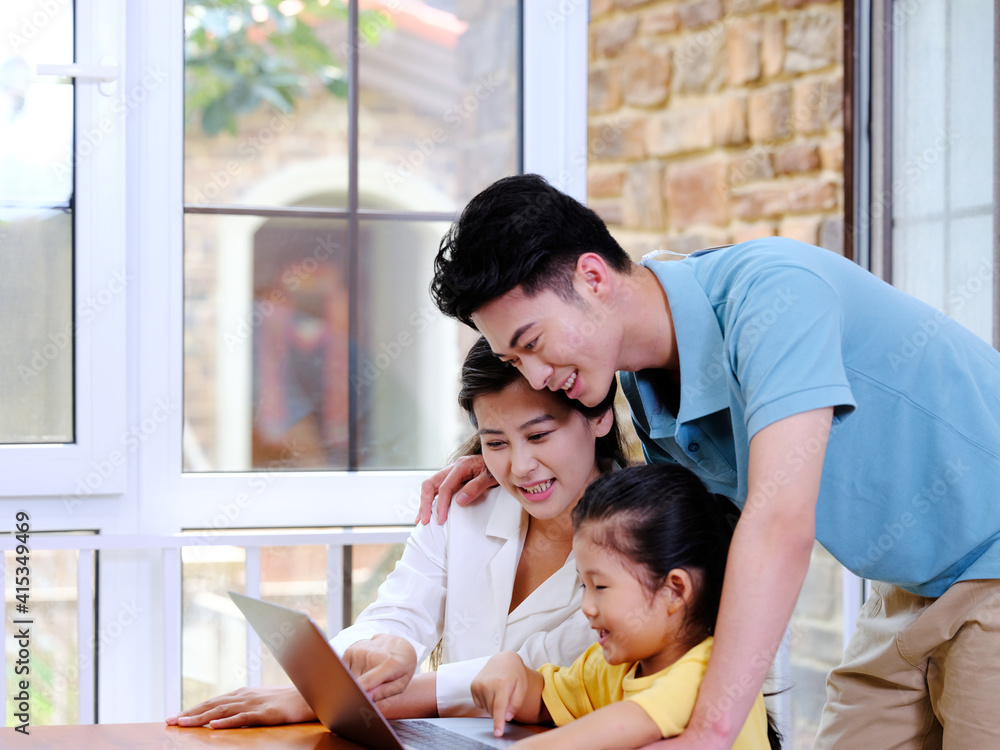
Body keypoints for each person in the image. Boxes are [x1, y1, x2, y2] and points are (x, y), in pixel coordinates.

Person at [424, 173, 1000, 749]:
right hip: (907, 587)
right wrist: (505, 462)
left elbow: (778, 524)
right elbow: (679, 540)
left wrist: (710, 732)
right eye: (513, 360)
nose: (537, 375)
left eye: (532, 343)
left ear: (593, 277)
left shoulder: (775, 296)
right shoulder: (649, 395)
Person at [167, 335, 629, 728]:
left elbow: (537, 673)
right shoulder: (463, 508)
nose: (520, 466)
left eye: (539, 436)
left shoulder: (636, 547)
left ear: (598, 416)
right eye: (496, 443)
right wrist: (384, 648)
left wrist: (320, 699)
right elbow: (396, 611)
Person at [471, 464, 780, 750]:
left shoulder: (709, 671)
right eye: (583, 586)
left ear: (674, 591)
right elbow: (541, 701)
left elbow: (625, 724)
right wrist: (510, 669)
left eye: (601, 587)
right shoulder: (610, 667)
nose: (587, 608)